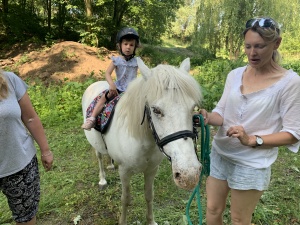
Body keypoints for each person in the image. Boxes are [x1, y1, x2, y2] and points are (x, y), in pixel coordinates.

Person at [199, 17, 300, 225]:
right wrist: (209, 117)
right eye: (248, 46)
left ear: (276, 43)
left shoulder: (290, 83)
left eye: (260, 46)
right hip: (221, 154)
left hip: (252, 163)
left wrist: (252, 139)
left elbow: (293, 134)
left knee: (239, 219)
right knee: (212, 209)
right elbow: (222, 112)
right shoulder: (235, 75)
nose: (252, 53)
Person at [0, 69, 53, 225]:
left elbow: (30, 118)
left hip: (20, 165)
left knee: (26, 218)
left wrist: (45, 150)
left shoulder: (9, 80)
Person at [81, 27, 140, 130]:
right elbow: (107, 73)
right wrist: (112, 84)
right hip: (118, 88)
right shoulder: (116, 60)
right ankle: (92, 118)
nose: (128, 47)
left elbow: (145, 72)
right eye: (125, 44)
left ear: (135, 47)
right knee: (104, 97)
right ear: (120, 45)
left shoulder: (137, 61)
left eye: (131, 45)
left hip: (132, 90)